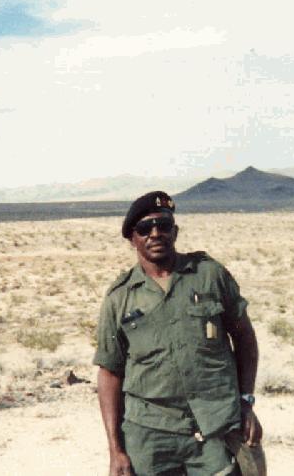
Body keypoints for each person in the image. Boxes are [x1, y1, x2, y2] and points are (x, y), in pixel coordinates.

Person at [93, 191, 263, 476]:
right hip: (150, 435)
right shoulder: (119, 298)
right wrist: (115, 449)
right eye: (145, 228)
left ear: (175, 231)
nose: (155, 234)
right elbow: (110, 373)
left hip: (215, 426)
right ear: (133, 239)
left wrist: (246, 402)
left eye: (163, 225)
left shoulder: (209, 276)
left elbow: (245, 339)